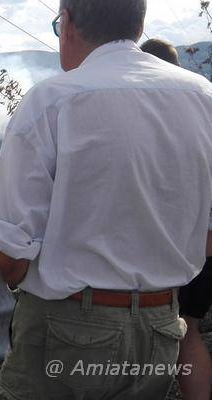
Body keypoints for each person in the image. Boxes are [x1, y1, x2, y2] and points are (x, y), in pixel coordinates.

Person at [0, 0, 212, 398]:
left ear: (67, 24)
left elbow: (10, 258)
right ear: (138, 26)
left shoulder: (51, 101)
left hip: (66, 328)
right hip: (161, 328)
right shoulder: (204, 98)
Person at [140, 38, 211, 400]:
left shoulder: (151, 117)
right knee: (191, 332)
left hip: (178, 248)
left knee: (157, 332)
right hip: (206, 245)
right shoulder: (203, 103)